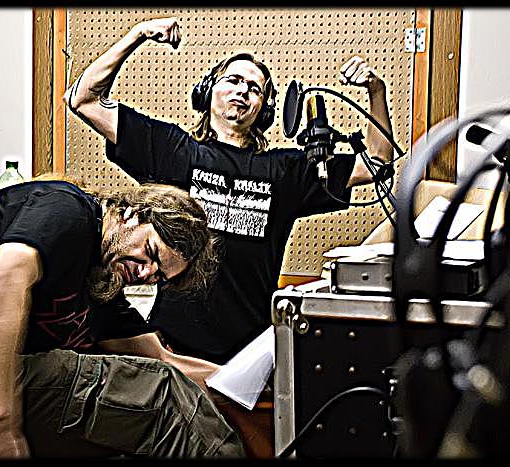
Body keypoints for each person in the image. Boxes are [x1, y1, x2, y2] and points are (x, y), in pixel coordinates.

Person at [64, 17, 395, 364]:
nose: (243, 90)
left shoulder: (286, 171)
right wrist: (137, 34)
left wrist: (376, 90)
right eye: (233, 80)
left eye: (255, 88)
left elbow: (376, 161)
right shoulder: (172, 150)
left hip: (248, 353)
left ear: (264, 109)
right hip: (172, 346)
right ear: (208, 91)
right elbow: (83, 100)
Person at [0, 178, 245, 458]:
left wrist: (251, 385)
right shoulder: (67, 210)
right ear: (134, 214)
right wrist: (0, 423)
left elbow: (164, 360)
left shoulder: (101, 286)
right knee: (163, 396)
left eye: (158, 276)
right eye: (150, 252)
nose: (146, 272)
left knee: (136, 429)